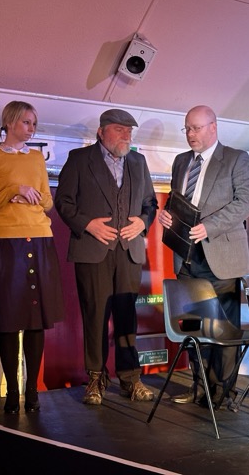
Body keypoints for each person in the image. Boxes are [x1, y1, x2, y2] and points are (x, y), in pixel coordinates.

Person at [55, 108, 158, 405]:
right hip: (93, 248)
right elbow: (63, 202)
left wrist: (142, 222)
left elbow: (150, 203)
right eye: (119, 130)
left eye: (129, 131)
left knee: (127, 316)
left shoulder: (138, 161)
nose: (126, 135)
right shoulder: (79, 159)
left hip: (128, 250)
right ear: (101, 132)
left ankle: (131, 378)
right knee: (95, 314)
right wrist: (88, 224)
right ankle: (95, 378)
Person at [158, 105, 249, 408]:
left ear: (213, 127)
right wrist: (167, 215)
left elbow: (247, 201)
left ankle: (223, 393)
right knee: (194, 325)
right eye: (187, 128)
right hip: (186, 256)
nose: (190, 134)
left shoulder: (236, 158)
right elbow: (178, 201)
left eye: (196, 128)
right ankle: (199, 387)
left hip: (222, 255)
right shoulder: (181, 161)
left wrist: (209, 226)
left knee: (223, 327)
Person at [0, 100, 65, 414]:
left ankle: (31, 390)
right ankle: (12, 391)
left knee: (37, 320)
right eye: (26, 122)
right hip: (6, 242)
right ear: (10, 122)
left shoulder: (36, 157)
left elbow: (48, 202)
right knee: (9, 320)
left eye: (34, 123)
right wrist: (13, 191)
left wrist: (34, 197)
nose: (31, 128)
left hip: (40, 238)